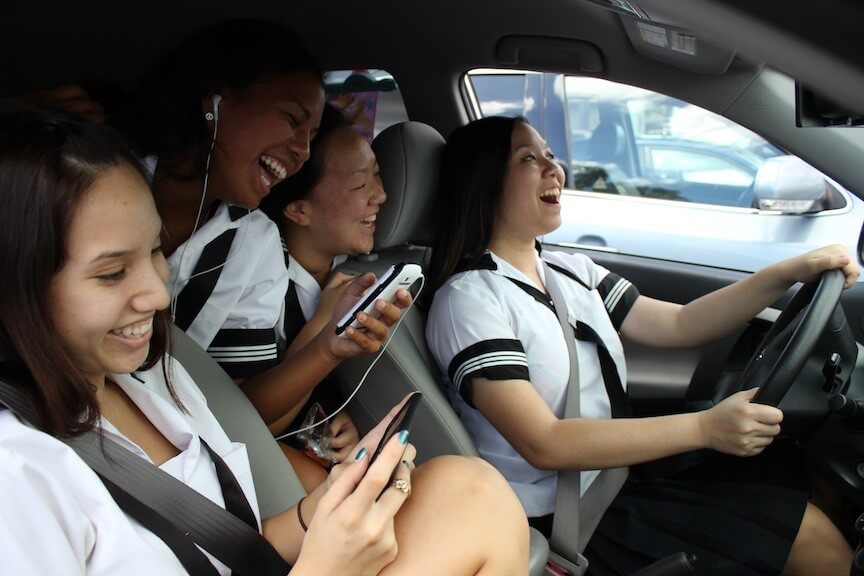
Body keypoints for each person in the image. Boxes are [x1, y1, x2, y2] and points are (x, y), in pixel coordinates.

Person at [0, 103, 530, 575]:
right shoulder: (16, 474)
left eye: (156, 251)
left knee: (471, 491)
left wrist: (325, 505)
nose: (159, 296)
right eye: (112, 273)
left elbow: (238, 542)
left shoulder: (154, 375)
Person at [425, 115, 858, 576]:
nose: (554, 169)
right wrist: (705, 428)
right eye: (528, 159)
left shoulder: (570, 271)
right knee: (809, 537)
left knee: (800, 476)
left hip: (619, 479)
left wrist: (788, 273)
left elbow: (680, 324)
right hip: (572, 524)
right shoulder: (468, 300)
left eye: (550, 154)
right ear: (484, 181)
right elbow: (543, 442)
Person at [125, 20, 402, 483]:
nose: (301, 151)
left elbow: (241, 413)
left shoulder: (253, 243)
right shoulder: (105, 182)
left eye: (311, 135)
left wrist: (330, 346)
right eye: (292, 120)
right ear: (216, 101)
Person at [257, 104, 386, 438]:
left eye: (377, 173)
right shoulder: (257, 289)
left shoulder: (361, 272)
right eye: (360, 184)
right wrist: (325, 321)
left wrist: (344, 421)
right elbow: (255, 424)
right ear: (299, 210)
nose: (381, 195)